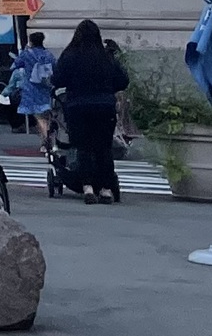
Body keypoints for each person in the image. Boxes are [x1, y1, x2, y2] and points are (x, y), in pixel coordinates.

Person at [51, 18, 130, 204]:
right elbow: (123, 80)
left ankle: (87, 187)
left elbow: (57, 79)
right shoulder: (106, 57)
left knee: (83, 147)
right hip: (104, 106)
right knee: (104, 148)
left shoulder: (70, 55)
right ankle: (106, 188)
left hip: (78, 106)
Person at [8, 30, 55, 141]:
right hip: (46, 86)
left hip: (32, 88)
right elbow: (55, 66)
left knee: (38, 116)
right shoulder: (48, 54)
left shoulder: (27, 54)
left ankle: (46, 139)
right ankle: (48, 138)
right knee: (45, 115)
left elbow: (14, 65)